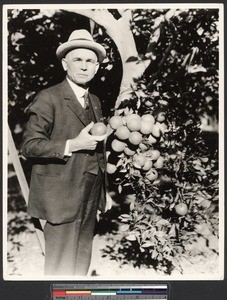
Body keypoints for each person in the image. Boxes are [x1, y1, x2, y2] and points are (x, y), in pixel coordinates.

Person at [21, 29, 111, 276]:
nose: (84, 66)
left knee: (81, 262)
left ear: (96, 67)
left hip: (90, 193)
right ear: (65, 64)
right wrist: (72, 145)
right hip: (60, 195)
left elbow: (99, 152)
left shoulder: (94, 100)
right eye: (77, 60)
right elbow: (29, 146)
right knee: (60, 267)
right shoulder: (48, 98)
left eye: (90, 61)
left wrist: (105, 193)